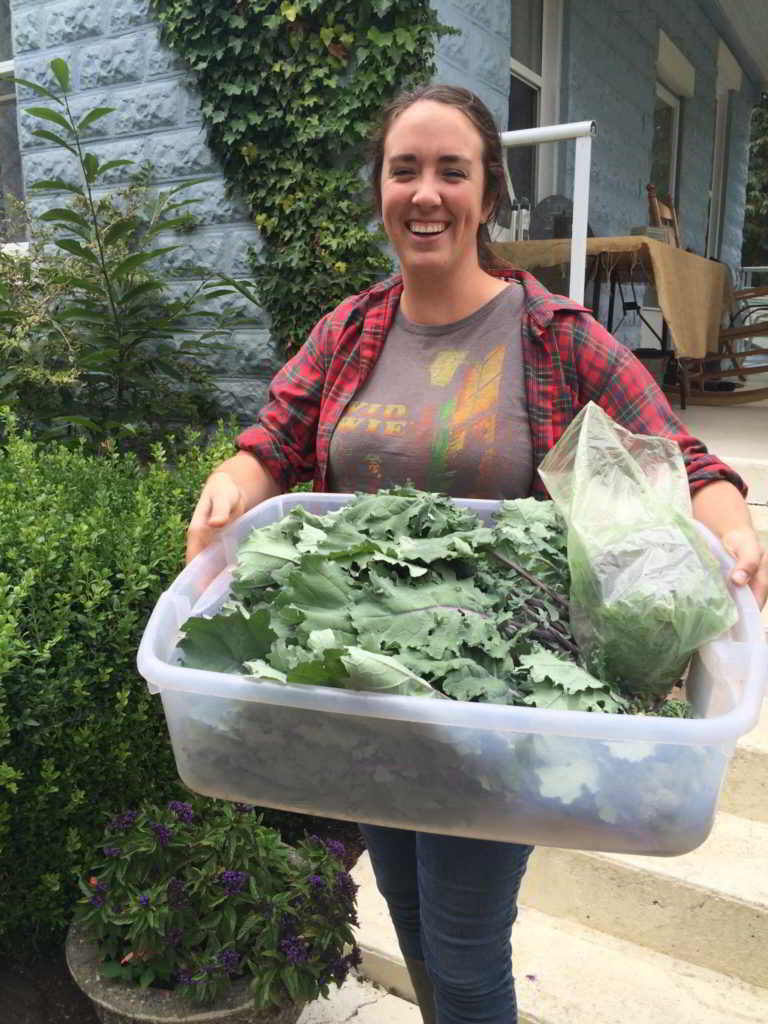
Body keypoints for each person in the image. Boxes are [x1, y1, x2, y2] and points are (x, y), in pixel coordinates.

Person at [186, 85, 768, 1024]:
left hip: (494, 703)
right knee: (408, 907)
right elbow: (278, 439)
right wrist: (235, 482)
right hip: (370, 683)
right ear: (379, 188)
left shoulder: (555, 338)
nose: (425, 193)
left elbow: (685, 461)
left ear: (488, 192)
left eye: (451, 171)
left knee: (462, 940)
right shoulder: (350, 331)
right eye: (403, 169)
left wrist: (731, 518)